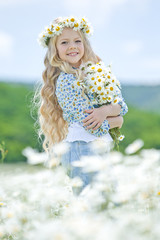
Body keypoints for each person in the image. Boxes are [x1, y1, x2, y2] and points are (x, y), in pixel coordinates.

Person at [36, 16, 128, 193]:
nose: (72, 46)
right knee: (90, 200)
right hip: (81, 146)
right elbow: (90, 124)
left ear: (85, 44)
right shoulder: (65, 81)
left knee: (108, 198)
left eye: (77, 41)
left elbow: (121, 105)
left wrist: (106, 111)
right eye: (64, 42)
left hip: (97, 144)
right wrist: (116, 120)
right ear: (54, 50)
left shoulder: (95, 73)